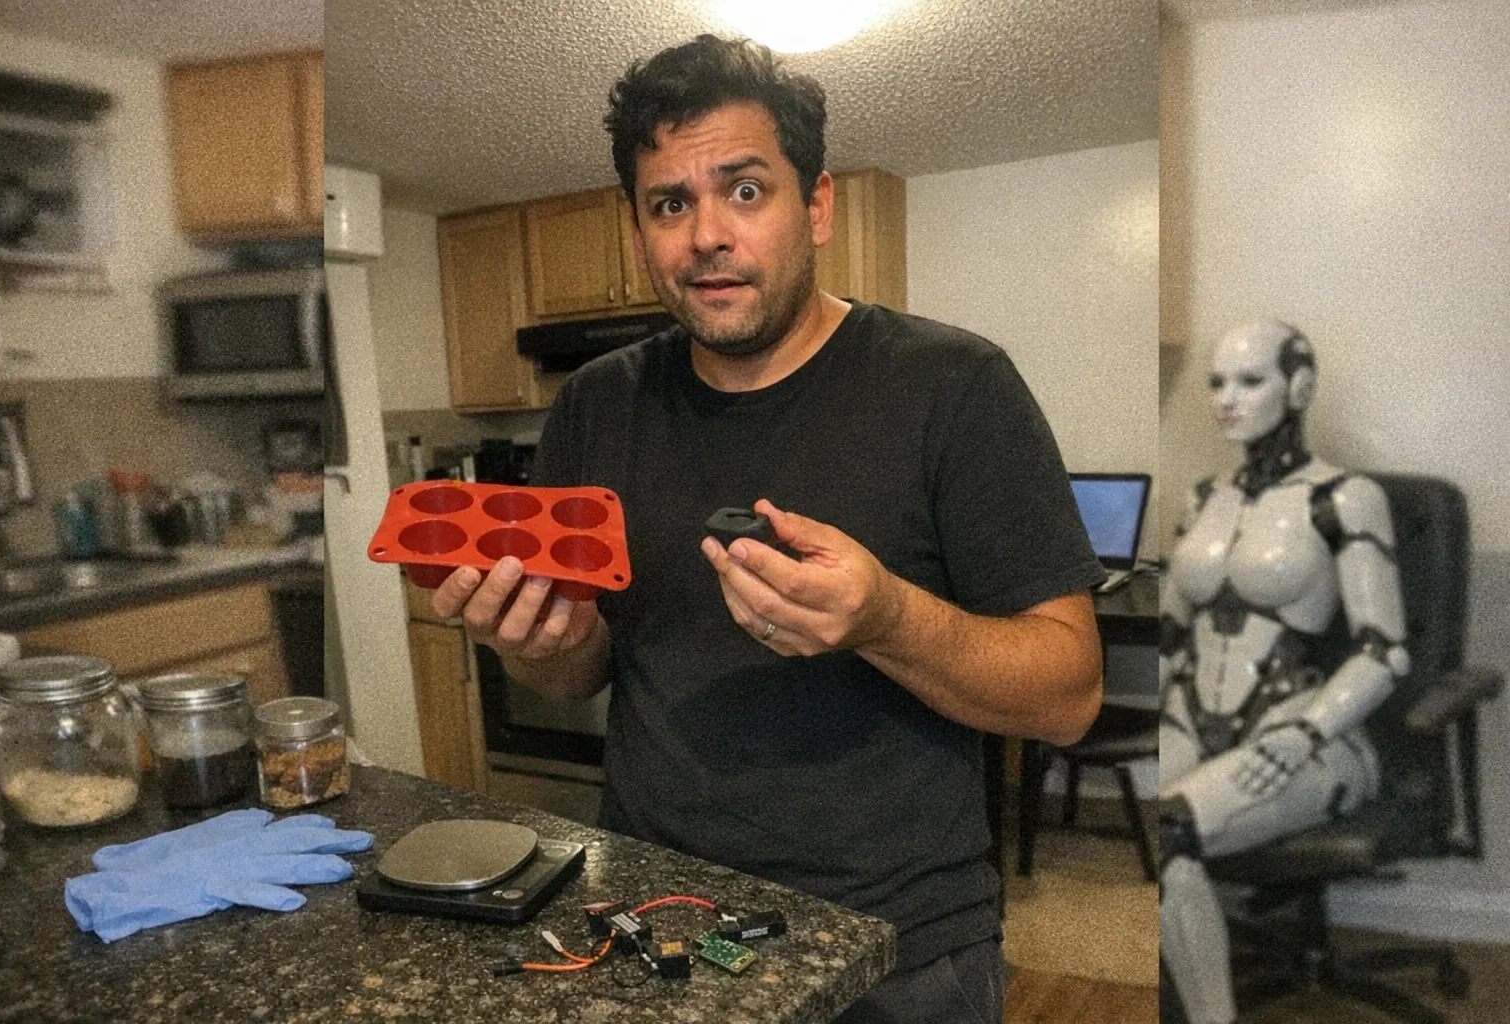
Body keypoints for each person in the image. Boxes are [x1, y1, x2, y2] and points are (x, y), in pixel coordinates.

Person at [434, 34, 1104, 1023]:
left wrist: (884, 618)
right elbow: (582, 672)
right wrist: (541, 642)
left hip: (896, 948)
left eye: (744, 190)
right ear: (639, 230)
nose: (707, 233)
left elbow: (1071, 693)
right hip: (656, 914)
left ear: (816, 205)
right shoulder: (595, 406)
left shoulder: (954, 388)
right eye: (671, 202)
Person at [1158, 320, 1410, 1024]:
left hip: (1303, 731)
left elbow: (1385, 651)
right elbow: (1174, 632)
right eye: (1216, 382)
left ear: (1298, 386)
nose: (1226, 399)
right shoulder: (1203, 497)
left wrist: (1303, 733)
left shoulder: (1344, 497)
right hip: (1194, 718)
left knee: (1167, 832)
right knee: (1141, 843)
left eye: (1249, 380)